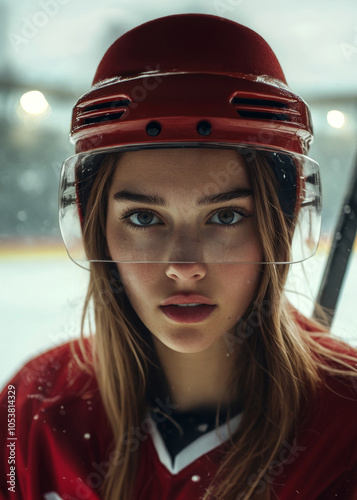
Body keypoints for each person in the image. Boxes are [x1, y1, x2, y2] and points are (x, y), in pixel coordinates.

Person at [1, 13, 357, 500]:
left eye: (226, 217)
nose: (184, 265)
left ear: (277, 228)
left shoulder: (348, 427)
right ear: (98, 232)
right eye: (145, 219)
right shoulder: (32, 407)